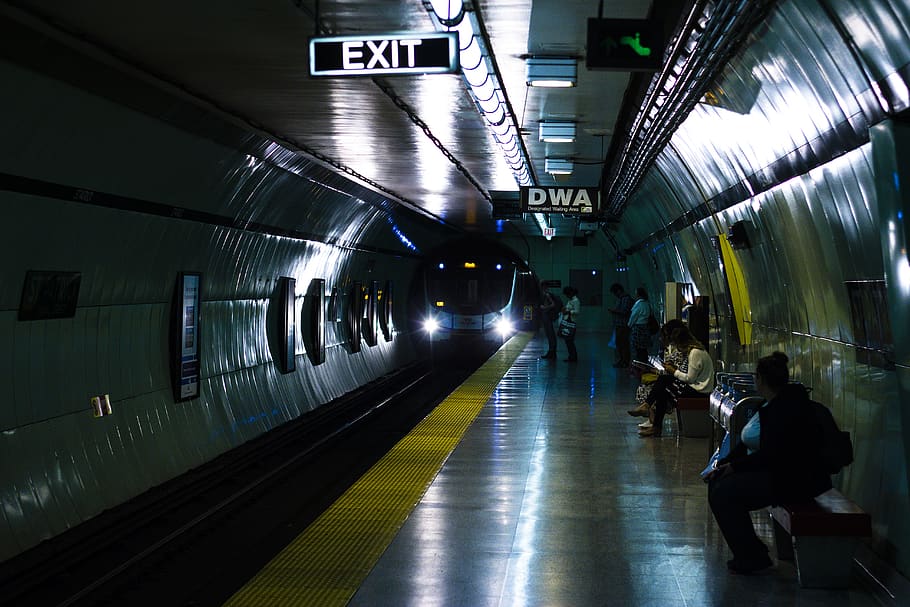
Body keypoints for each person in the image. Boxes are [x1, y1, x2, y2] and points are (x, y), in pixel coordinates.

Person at [704, 352, 832, 574]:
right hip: (778, 474)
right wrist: (725, 463)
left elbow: (772, 454)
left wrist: (733, 467)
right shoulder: (772, 404)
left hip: (794, 481)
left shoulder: (785, 410)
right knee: (718, 487)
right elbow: (747, 443)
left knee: (724, 494)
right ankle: (751, 551)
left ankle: (752, 556)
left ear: (760, 379)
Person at [638, 325, 713, 438]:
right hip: (695, 388)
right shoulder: (695, 352)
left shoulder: (695, 353)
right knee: (662, 393)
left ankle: (647, 406)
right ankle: (655, 426)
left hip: (699, 391)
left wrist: (673, 372)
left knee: (664, 380)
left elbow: (689, 379)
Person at [627, 318, 686, 422]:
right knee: (654, 385)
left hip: (680, 383)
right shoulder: (676, 349)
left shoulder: (682, 351)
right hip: (677, 379)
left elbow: (676, 372)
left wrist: (657, 371)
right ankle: (651, 417)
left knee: (655, 387)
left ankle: (651, 415)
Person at [608, 283, 633, 368]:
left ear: (618, 291)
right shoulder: (621, 299)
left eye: (615, 293)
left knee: (623, 343)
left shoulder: (626, 299)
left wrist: (614, 311)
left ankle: (625, 361)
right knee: (619, 343)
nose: (615, 295)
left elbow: (625, 311)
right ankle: (622, 360)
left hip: (624, 325)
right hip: (619, 325)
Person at [538, 281, 562, 360]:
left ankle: (552, 352)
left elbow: (553, 304)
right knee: (550, 334)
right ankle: (551, 352)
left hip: (547, 316)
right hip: (546, 316)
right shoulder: (546, 293)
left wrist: (544, 308)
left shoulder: (546, 294)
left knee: (550, 334)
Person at [628, 287, 653, 363]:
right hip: (645, 328)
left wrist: (629, 325)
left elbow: (633, 316)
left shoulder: (639, 304)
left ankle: (639, 364)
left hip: (638, 329)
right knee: (643, 348)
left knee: (637, 349)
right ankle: (644, 364)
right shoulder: (647, 303)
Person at [560, 286, 580, 362]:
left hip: (572, 323)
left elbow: (577, 311)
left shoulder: (576, 300)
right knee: (568, 340)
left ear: (570, 293)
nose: (567, 296)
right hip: (568, 322)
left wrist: (568, 312)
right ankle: (571, 356)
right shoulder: (570, 300)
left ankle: (573, 357)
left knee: (570, 340)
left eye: (567, 294)